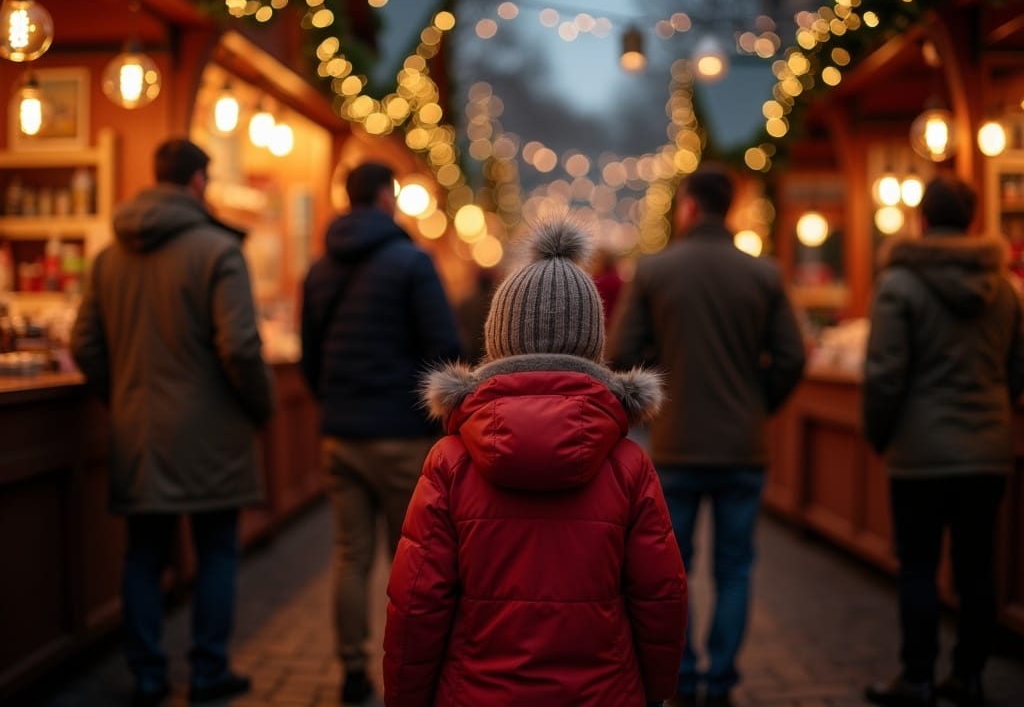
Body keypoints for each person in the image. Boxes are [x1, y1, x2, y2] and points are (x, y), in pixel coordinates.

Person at [383, 219, 687, 707]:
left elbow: (419, 602)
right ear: (593, 340)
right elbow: (660, 598)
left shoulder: (451, 460)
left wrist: (406, 698)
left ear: (499, 336)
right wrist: (653, 691)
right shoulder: (628, 464)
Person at [71, 138, 275, 707]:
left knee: (142, 554)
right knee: (216, 551)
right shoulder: (217, 251)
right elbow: (238, 345)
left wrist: (123, 398)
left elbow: (84, 344)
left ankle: (147, 675)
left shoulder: (109, 257)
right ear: (198, 183)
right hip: (211, 432)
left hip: (138, 433)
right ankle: (208, 671)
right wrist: (261, 408)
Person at [608, 164, 806, 707]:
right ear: (730, 207)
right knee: (736, 567)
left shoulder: (655, 271)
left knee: (674, 568)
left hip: (677, 444)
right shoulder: (763, 274)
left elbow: (622, 353)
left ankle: (683, 676)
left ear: (689, 206)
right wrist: (757, 403)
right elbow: (791, 355)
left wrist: (661, 384)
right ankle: (721, 680)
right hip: (743, 445)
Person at [299, 160, 462, 705]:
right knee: (408, 560)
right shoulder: (412, 263)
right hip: (399, 433)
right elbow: (442, 344)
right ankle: (410, 672)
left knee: (350, 555)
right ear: (387, 198)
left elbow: (310, 356)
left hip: (341, 434)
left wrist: (336, 401)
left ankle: (351, 670)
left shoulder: (319, 269)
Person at [862, 176, 1024, 707]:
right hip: (988, 450)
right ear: (974, 219)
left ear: (922, 219)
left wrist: (881, 435)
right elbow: (1017, 371)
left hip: (921, 451)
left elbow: (885, 373)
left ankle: (918, 677)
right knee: (979, 565)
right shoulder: (1007, 288)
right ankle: (971, 676)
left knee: (919, 566)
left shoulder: (900, 283)